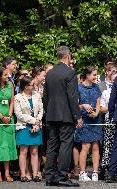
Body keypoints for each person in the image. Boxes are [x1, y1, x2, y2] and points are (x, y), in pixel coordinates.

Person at [43, 46, 83, 187]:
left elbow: (45, 97)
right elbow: (72, 97)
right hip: (65, 115)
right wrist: (77, 116)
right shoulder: (70, 73)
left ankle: (49, 176)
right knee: (66, 145)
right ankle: (61, 176)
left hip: (52, 114)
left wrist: (48, 112)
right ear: (68, 56)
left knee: (52, 145)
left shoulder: (50, 73)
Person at [74, 66, 102, 182]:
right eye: (94, 75)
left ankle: (95, 172)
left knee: (96, 146)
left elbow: (98, 103)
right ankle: (82, 172)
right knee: (85, 147)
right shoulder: (78, 88)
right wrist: (83, 106)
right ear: (87, 75)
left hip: (95, 120)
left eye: (96, 75)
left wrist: (96, 112)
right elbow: (74, 105)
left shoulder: (96, 87)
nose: (96, 77)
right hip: (84, 120)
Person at [14, 76, 43, 182]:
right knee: (24, 151)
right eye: (31, 85)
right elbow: (19, 114)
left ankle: (35, 174)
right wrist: (33, 121)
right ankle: (23, 174)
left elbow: (41, 111)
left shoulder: (37, 96)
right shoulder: (18, 97)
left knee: (35, 151)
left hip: (36, 126)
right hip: (23, 126)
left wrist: (37, 123)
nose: (33, 86)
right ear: (25, 86)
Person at [100, 71, 117, 180]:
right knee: (108, 147)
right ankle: (108, 172)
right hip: (110, 122)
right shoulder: (106, 92)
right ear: (110, 80)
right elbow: (102, 108)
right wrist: (112, 106)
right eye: (114, 79)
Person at [0, 67, 17, 182]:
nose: (8, 77)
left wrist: (9, 116)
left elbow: (12, 101)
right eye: (5, 75)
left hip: (8, 118)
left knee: (7, 145)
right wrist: (1, 116)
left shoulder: (10, 85)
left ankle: (7, 173)